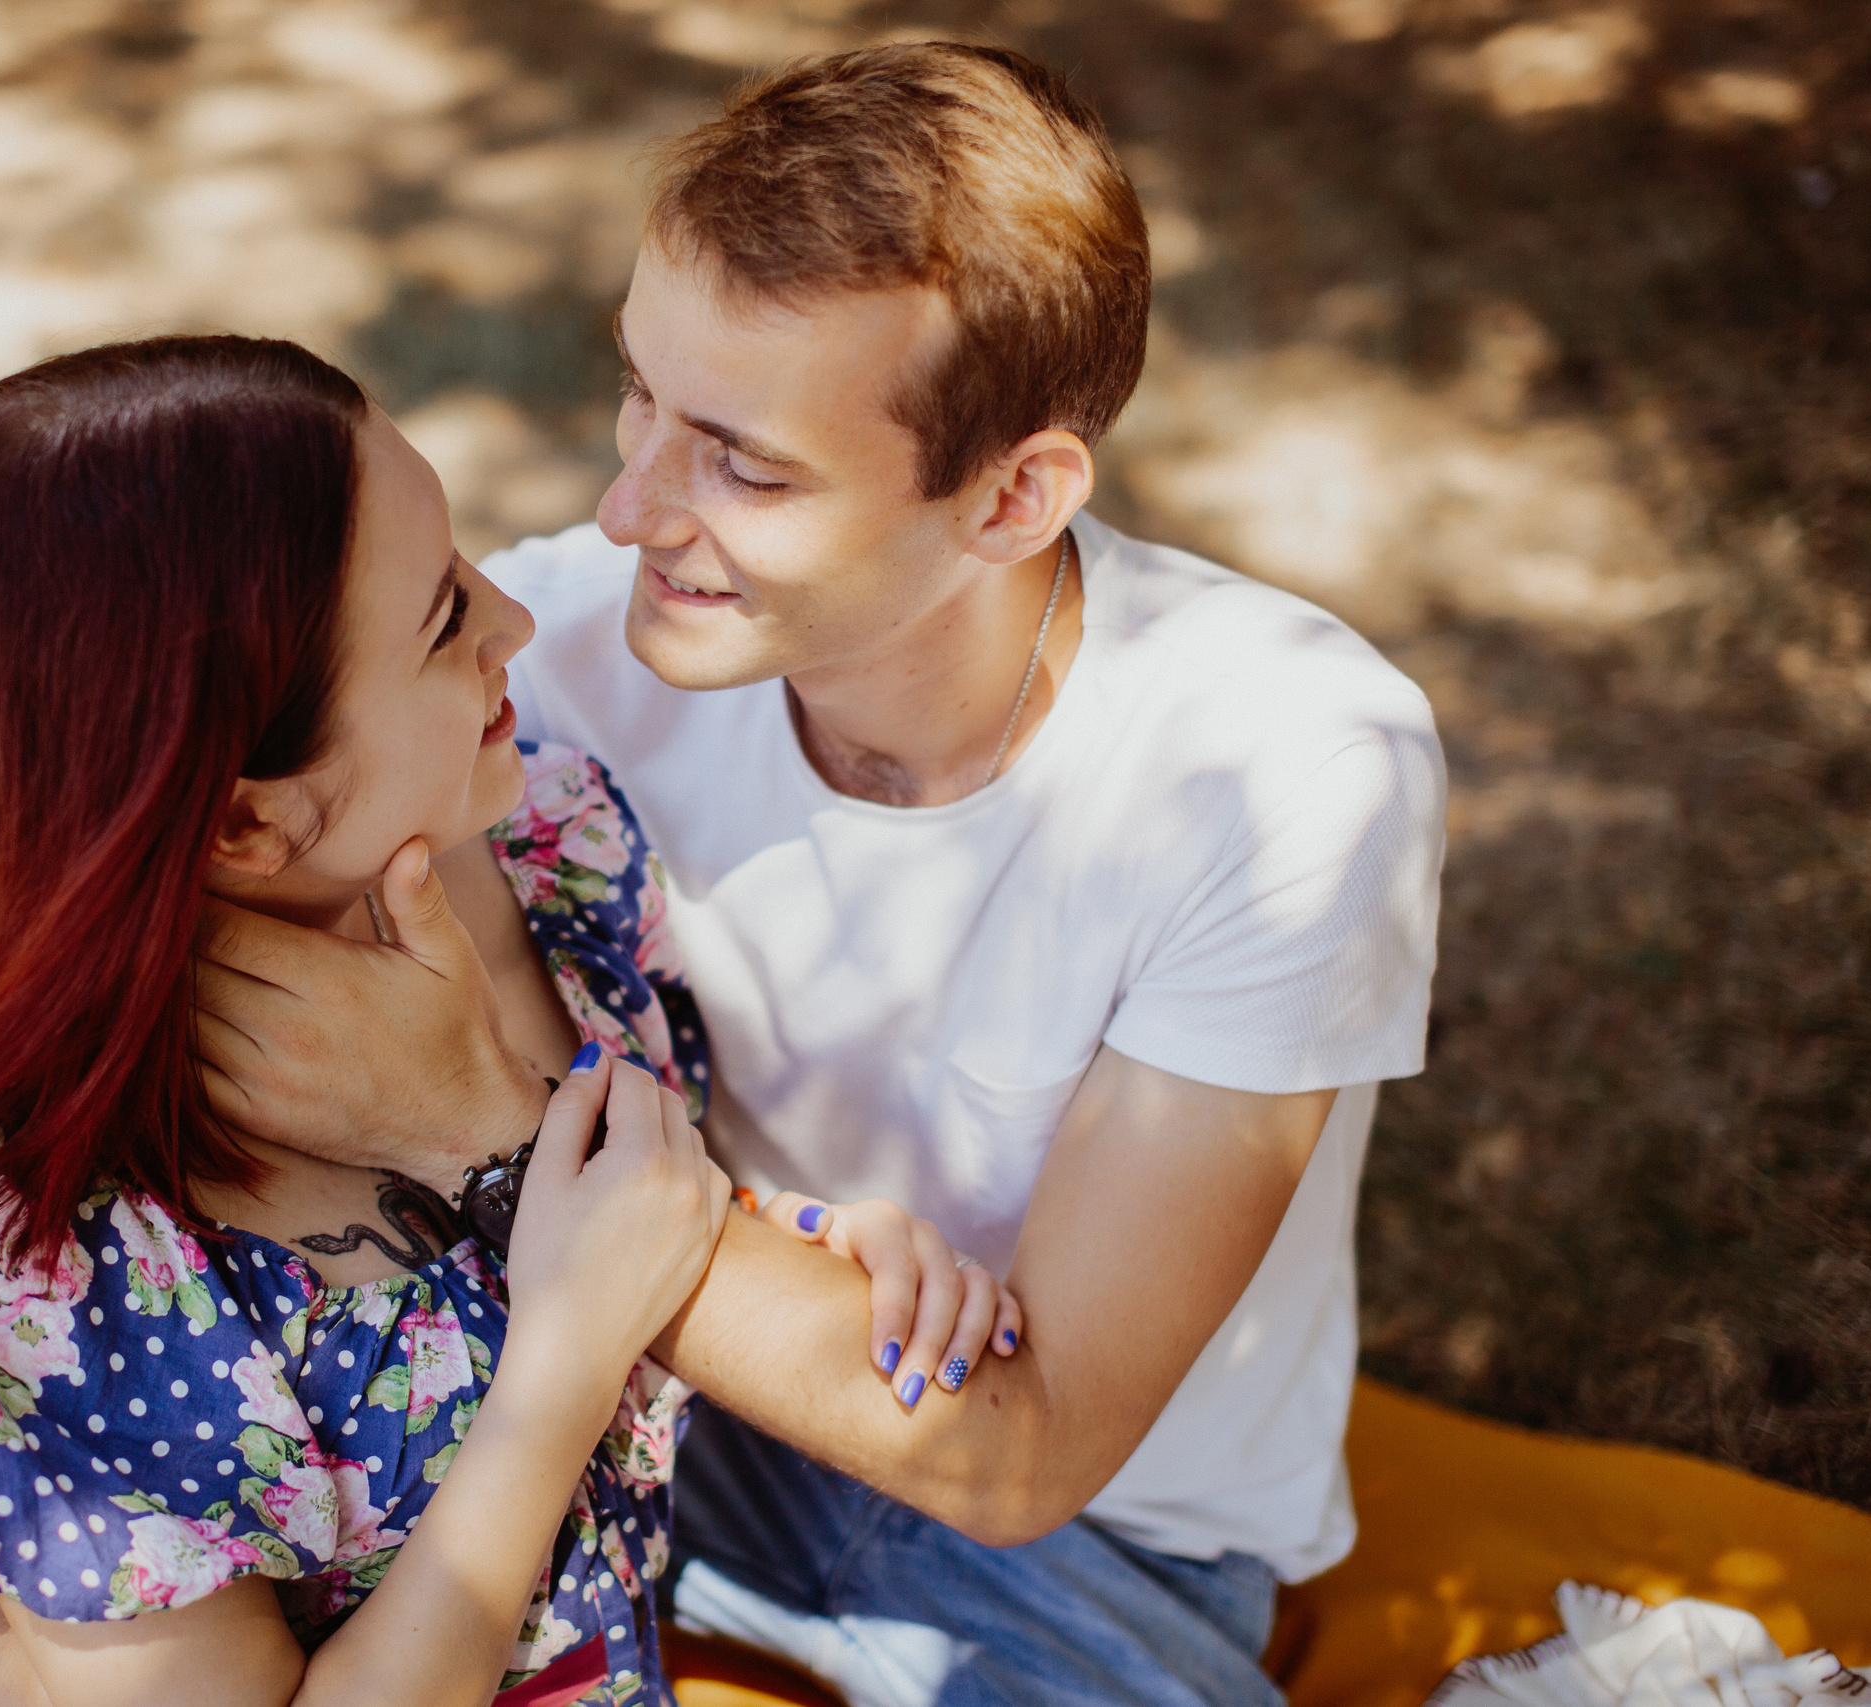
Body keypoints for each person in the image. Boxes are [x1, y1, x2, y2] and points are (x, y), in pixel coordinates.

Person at [191, 43, 1448, 1707]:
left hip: (1062, 1527)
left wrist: (477, 1133)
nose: (628, 507)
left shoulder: (1287, 772)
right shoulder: (550, 659)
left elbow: (1028, 1451)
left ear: (1012, 499)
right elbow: (164, 881)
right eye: (639, 391)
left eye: (745, 464)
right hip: (611, 1363)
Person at [0, 334, 1015, 1707]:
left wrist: (784, 1234)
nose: (514, 620)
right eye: (444, 618)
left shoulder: (547, 842)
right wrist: (559, 1367)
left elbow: (616, 1198)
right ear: (246, 822)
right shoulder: (31, 1268)